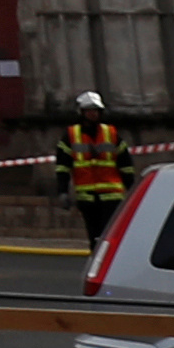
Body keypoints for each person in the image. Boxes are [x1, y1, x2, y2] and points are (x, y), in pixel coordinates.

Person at [61, 93, 130, 253]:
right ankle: (97, 263)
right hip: (87, 197)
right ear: (82, 112)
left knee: (111, 235)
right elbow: (62, 167)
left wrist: (131, 188)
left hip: (112, 195)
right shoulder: (70, 136)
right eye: (89, 110)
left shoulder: (111, 133)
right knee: (94, 236)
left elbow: (126, 164)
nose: (93, 114)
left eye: (96, 110)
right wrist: (62, 191)